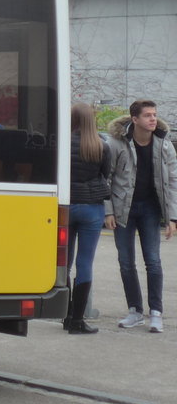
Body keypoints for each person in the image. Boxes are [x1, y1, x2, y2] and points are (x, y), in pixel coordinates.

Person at [106, 99, 177, 333]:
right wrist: (108, 211)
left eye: (155, 114)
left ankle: (156, 312)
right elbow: (106, 178)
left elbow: (173, 182)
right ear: (134, 119)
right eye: (147, 115)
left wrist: (172, 218)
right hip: (123, 210)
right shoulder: (116, 144)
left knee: (153, 262)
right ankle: (134, 311)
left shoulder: (165, 145)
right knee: (126, 263)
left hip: (150, 209)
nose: (153, 119)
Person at [65, 103, 111, 333]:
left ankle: (64, 313)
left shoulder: (62, 145)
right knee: (85, 263)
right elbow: (105, 174)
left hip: (65, 207)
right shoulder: (101, 147)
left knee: (64, 261)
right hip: (92, 209)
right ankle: (77, 321)